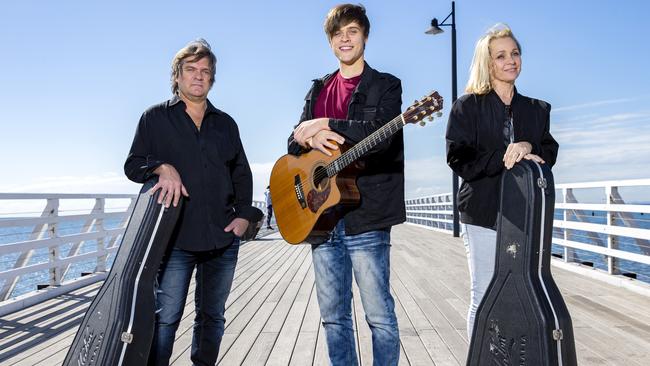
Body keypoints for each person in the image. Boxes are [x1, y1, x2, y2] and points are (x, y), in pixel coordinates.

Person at [124, 39, 260, 366]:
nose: (198, 76)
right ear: (177, 76)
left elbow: (242, 174)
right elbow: (132, 165)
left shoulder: (226, 123)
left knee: (212, 317)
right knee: (166, 318)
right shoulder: (154, 118)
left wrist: (244, 217)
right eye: (191, 70)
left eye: (205, 71)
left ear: (212, 79)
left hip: (222, 236)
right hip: (175, 239)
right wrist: (161, 167)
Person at [287, 4, 403, 365]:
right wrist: (306, 137)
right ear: (330, 42)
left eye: (352, 30)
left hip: (366, 214)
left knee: (379, 316)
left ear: (365, 35)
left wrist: (325, 123)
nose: (345, 38)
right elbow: (293, 146)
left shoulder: (386, 85)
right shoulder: (318, 88)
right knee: (334, 318)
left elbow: (380, 138)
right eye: (338, 33)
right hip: (322, 218)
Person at [445, 24, 559, 339]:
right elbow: (458, 158)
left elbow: (549, 150)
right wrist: (503, 156)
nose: (511, 60)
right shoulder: (467, 107)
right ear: (488, 63)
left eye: (515, 53)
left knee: (522, 294)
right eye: (501, 56)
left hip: (524, 215)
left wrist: (527, 146)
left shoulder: (537, 110)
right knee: (483, 292)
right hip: (481, 212)